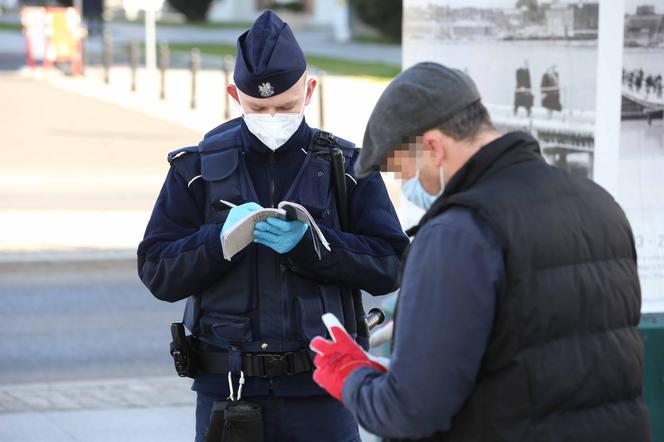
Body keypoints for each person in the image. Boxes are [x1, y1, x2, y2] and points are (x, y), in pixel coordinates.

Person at [309, 62, 651, 441]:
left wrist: (353, 375)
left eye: (404, 171)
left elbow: (412, 412)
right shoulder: (598, 203)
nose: (408, 186)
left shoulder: (457, 233)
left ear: (434, 147)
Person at [137, 11, 409, 442]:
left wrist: (314, 247)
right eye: (258, 107)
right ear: (234, 95)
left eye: (285, 105)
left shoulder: (347, 167)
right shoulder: (196, 170)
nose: (273, 116)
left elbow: (391, 265)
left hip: (323, 392)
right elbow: (156, 270)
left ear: (310, 90)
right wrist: (218, 242)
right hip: (229, 393)